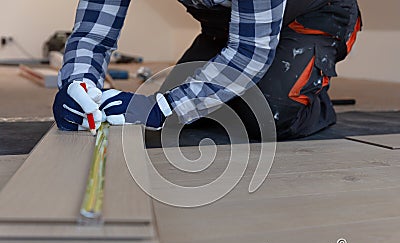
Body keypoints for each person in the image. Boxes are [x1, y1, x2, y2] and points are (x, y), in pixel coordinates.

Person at [53, 0, 361, 140]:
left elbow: (250, 51)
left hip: (313, 15)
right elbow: (93, 34)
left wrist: (163, 108)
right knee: (180, 113)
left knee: (266, 117)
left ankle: (313, 94)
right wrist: (78, 84)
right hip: (234, 25)